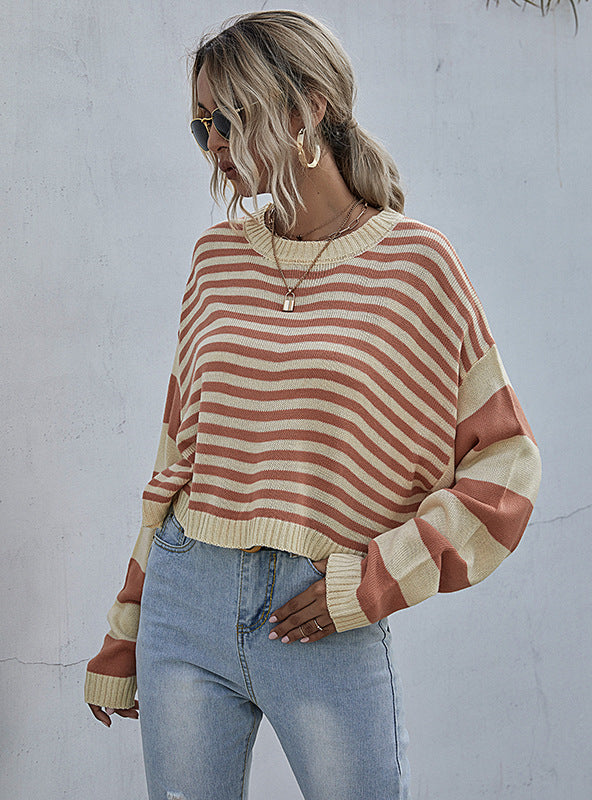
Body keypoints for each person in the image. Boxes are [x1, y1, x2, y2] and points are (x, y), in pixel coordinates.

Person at [85, 10, 541, 800]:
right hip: (185, 602)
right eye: (200, 127)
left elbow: (507, 467)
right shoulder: (215, 261)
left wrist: (374, 580)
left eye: (227, 120)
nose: (213, 145)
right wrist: (127, 624)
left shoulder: (418, 265)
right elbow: (176, 460)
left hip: (321, 608)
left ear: (307, 109)